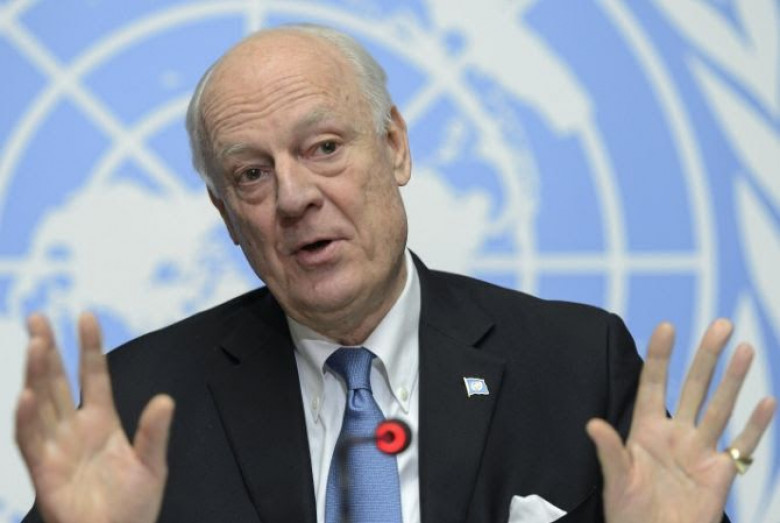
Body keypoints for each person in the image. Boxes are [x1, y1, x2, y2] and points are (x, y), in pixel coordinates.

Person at [15, 24, 775, 523]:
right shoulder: (144, 402)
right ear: (227, 214)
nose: (294, 196)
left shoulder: (577, 366)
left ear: (395, 147)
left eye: (323, 148)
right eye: (251, 174)